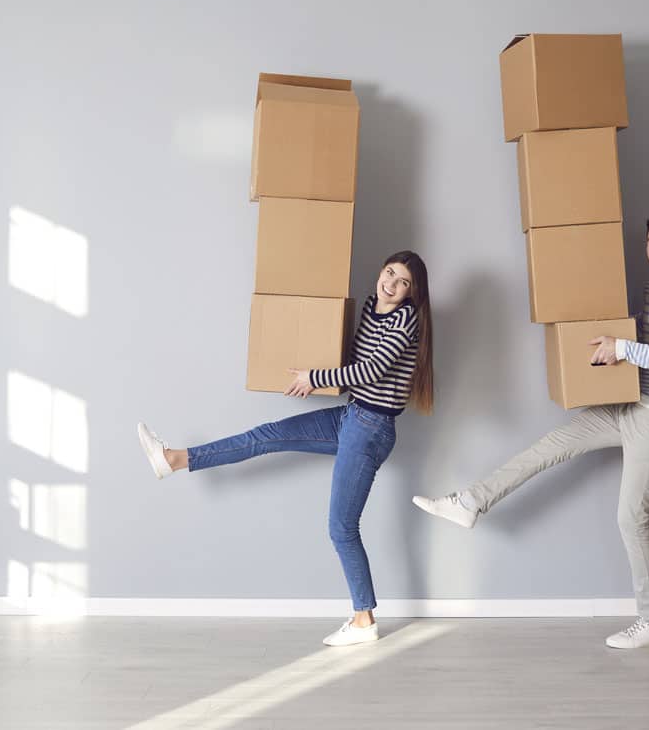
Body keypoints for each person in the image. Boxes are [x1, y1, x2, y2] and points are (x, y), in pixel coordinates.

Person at [413, 214, 649, 649]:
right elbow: (632, 337)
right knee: (550, 446)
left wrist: (621, 348)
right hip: (630, 405)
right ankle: (471, 502)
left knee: (631, 518)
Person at [138, 251, 435, 646]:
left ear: (412, 293)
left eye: (403, 282)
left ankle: (364, 619)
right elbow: (355, 368)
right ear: (381, 271)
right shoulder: (370, 306)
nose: (392, 284)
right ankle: (173, 459)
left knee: (341, 528)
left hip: (371, 429)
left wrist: (315, 377)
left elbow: (372, 371)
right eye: (390, 273)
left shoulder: (405, 320)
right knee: (265, 435)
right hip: (352, 417)